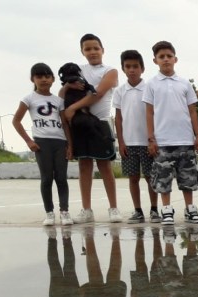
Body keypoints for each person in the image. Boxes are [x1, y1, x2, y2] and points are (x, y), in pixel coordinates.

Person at [143, 41, 198, 225]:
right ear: (155, 60)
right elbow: (149, 112)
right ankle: (167, 209)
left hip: (185, 139)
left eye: (169, 56)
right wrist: (151, 139)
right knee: (163, 178)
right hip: (163, 141)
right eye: (161, 57)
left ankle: (190, 209)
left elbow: (192, 111)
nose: (166, 59)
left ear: (175, 59)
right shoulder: (151, 84)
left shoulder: (184, 83)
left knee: (188, 177)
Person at [64, 33, 121, 224]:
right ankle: (87, 210)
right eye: (87, 49)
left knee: (105, 166)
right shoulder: (78, 70)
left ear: (102, 50)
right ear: (82, 51)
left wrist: (73, 108)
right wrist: (68, 86)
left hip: (100, 123)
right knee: (84, 166)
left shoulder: (110, 71)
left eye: (96, 48)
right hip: (81, 123)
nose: (92, 52)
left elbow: (98, 93)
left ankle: (113, 208)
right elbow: (62, 93)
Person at [12, 63, 73, 226]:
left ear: (53, 79)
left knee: (61, 178)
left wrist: (70, 145)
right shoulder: (29, 99)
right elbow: (16, 121)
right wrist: (29, 141)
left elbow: (65, 123)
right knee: (46, 178)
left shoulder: (58, 101)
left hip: (60, 142)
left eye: (47, 76)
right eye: (39, 77)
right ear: (33, 79)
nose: (44, 80)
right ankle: (49, 213)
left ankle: (65, 212)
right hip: (41, 142)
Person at [113, 50, 160, 224]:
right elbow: (118, 118)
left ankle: (154, 210)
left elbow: (155, 114)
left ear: (142, 68)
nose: (132, 70)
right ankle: (138, 211)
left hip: (147, 142)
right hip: (129, 142)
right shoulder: (120, 91)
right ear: (123, 69)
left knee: (150, 177)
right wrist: (121, 142)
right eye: (128, 67)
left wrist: (153, 140)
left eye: (135, 66)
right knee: (133, 178)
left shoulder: (150, 88)